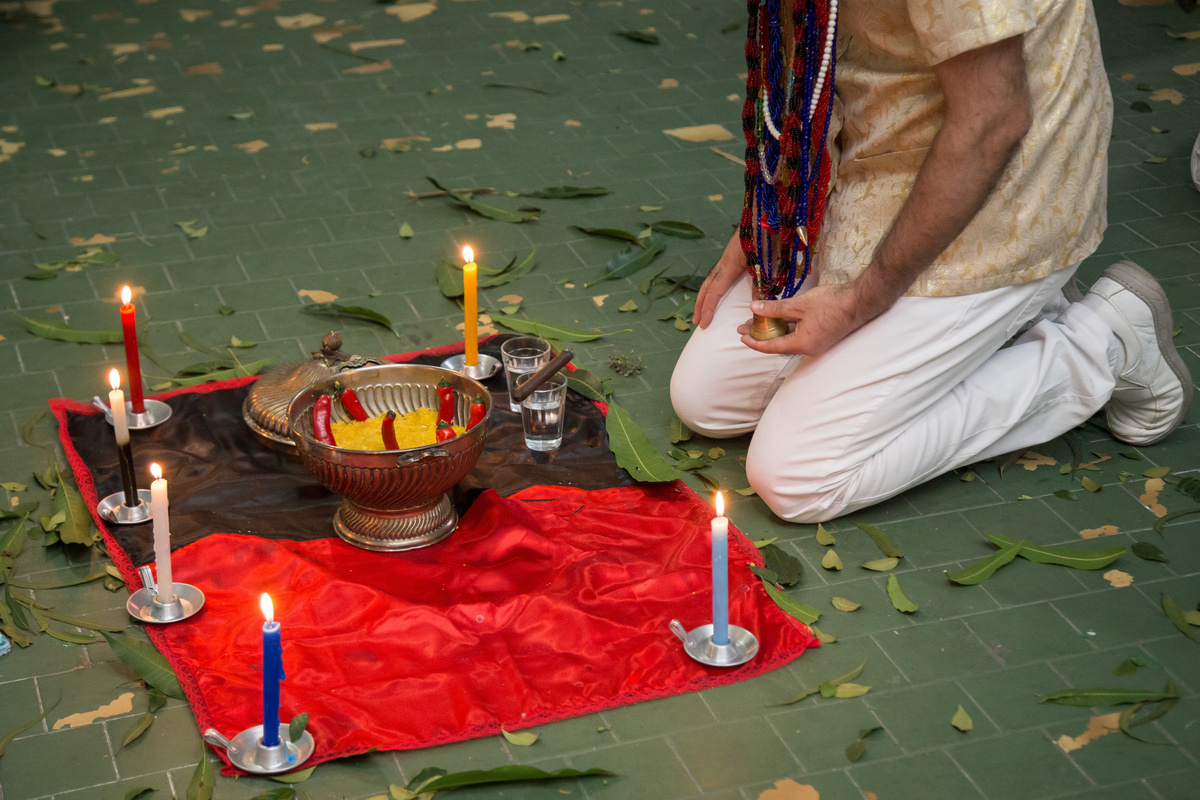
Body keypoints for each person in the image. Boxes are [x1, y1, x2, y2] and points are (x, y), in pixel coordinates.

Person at [671, 0, 1193, 524]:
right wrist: (775, 205)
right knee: (706, 402)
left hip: (998, 188)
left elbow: (995, 120)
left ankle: (1101, 345)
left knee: (796, 477)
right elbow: (814, 45)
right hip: (868, 159)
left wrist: (861, 303)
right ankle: (998, 325)